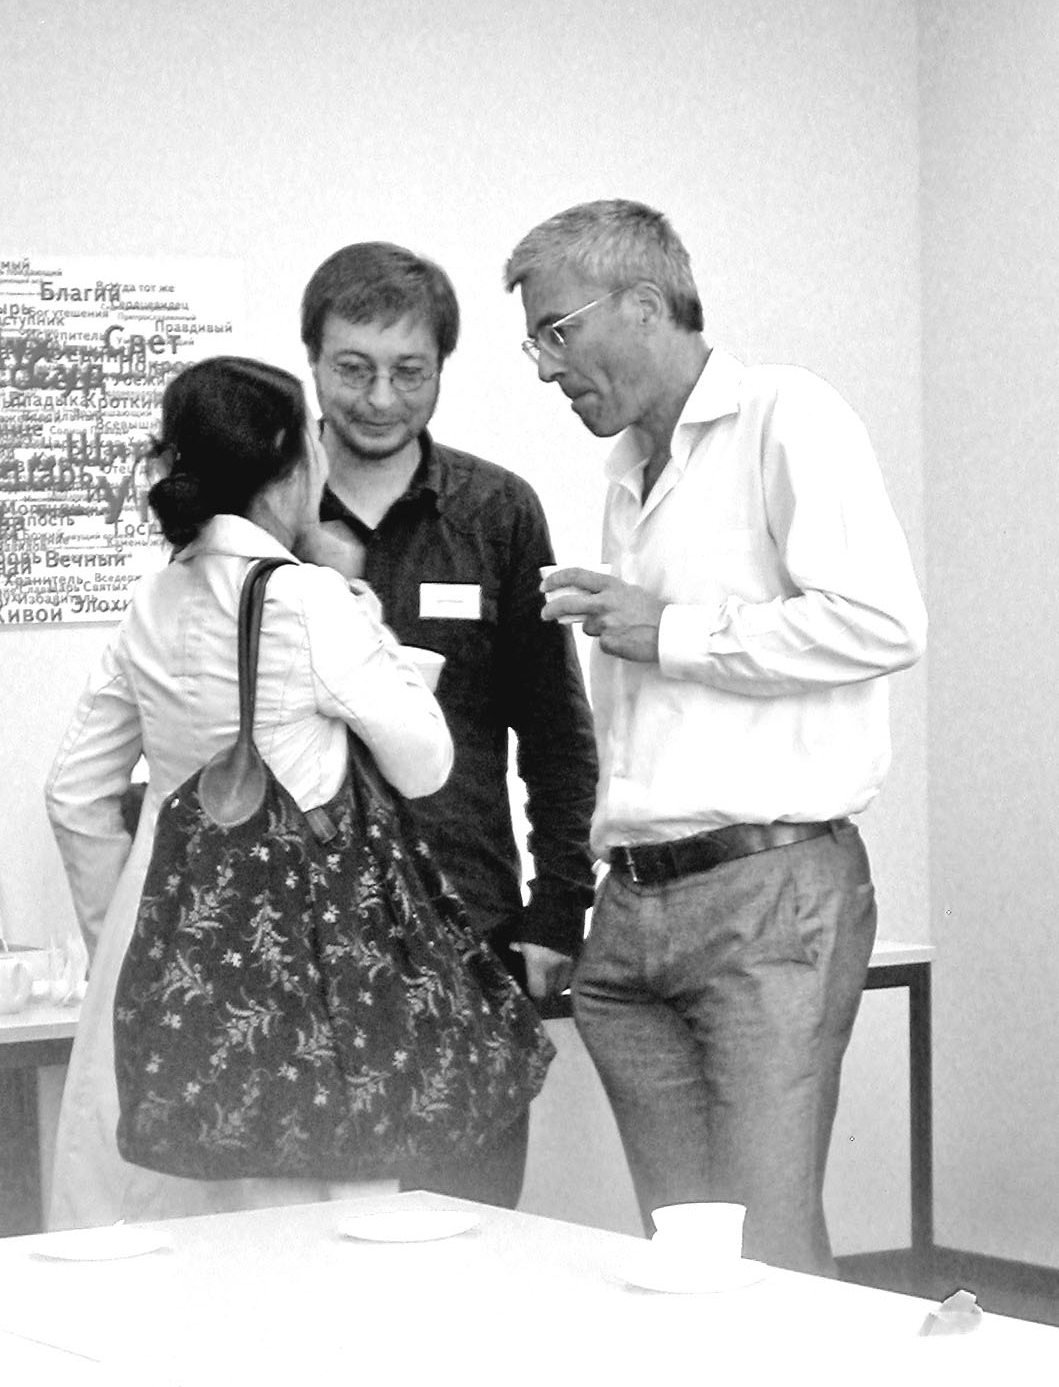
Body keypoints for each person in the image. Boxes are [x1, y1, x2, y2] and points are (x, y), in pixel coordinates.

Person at [504, 199, 927, 1275]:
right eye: (535, 341)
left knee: (766, 1254)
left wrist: (671, 630)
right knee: (688, 1259)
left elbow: (883, 623)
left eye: (557, 331)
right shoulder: (626, 475)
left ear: (645, 305)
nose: (544, 366)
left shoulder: (788, 414)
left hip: (765, 898)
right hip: (634, 911)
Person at [45, 356, 453, 1228]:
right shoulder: (311, 600)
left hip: (158, 942)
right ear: (287, 461)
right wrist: (366, 616)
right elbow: (425, 761)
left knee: (158, 1227)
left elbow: (74, 793)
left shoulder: (152, 600)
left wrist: (124, 932)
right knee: (299, 1223)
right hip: (296, 948)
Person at [300, 242, 599, 1207]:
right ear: (312, 360)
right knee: (302, 1241)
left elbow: (554, 729)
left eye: (409, 371)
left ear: (442, 369)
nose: (380, 398)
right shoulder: (262, 512)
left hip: (463, 923)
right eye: (353, 368)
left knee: (468, 1227)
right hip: (295, 933)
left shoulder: (495, 512)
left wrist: (558, 907)